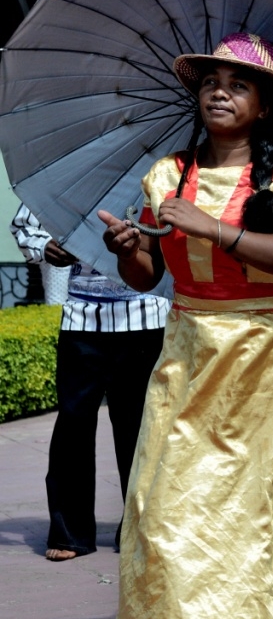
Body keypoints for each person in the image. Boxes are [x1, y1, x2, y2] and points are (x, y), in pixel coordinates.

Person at [95, 32, 273, 619]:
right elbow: (148, 275)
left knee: (260, 509)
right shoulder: (165, 175)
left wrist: (212, 227)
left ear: (264, 105)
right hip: (189, 347)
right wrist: (128, 249)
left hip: (267, 348)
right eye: (210, 81)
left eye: (239, 83)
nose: (220, 91)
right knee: (156, 507)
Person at [9, 206, 170, 561]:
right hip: (81, 317)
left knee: (140, 430)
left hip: (146, 318)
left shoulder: (157, 179)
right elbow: (24, 223)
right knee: (72, 426)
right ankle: (71, 533)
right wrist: (45, 247)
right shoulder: (75, 176)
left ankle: (141, 528)